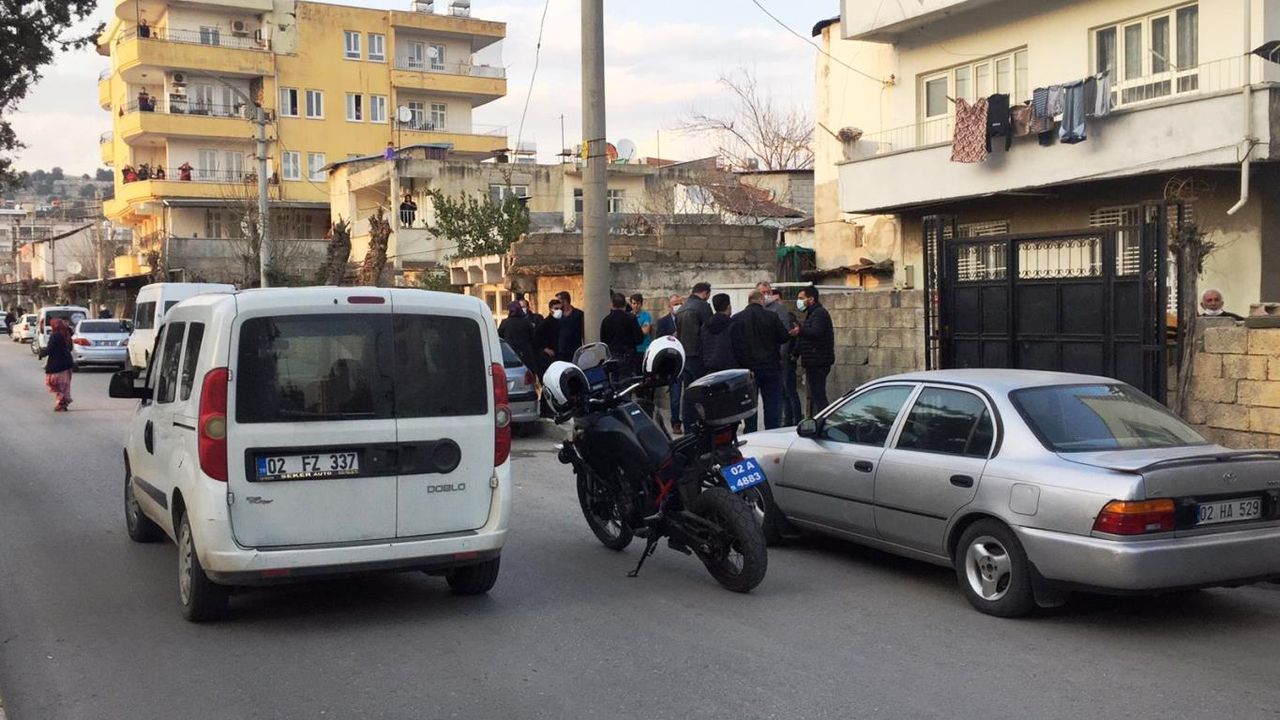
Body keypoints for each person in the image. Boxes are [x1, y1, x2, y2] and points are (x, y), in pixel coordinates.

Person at [733, 289, 792, 432]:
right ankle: (771, 433)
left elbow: (734, 344)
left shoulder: (737, 318)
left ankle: (751, 433)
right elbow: (783, 337)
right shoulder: (771, 316)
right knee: (772, 405)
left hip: (748, 370)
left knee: (750, 406)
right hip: (771, 367)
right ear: (761, 301)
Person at [789, 285, 835, 417]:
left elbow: (816, 332)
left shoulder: (819, 313)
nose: (799, 301)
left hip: (818, 361)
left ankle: (826, 419)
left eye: (801, 298)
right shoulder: (812, 314)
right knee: (815, 395)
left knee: (819, 396)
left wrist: (800, 331)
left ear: (811, 299)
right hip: (813, 361)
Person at [675, 282, 713, 428]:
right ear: (705, 293)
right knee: (703, 394)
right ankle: (704, 426)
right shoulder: (703, 307)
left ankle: (688, 427)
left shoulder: (681, 309)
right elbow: (709, 331)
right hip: (699, 357)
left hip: (685, 357)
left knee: (688, 394)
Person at [655, 294, 684, 433]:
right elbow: (659, 341)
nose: (677, 306)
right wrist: (671, 337)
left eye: (680, 303)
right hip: (673, 363)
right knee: (675, 395)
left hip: (686, 359)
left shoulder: (686, 318)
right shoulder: (663, 322)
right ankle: (675, 422)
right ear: (669, 306)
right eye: (675, 304)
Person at [600, 293, 644, 369]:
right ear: (625, 304)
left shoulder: (606, 320)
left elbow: (603, 341)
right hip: (629, 357)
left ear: (612, 305)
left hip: (612, 357)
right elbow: (639, 339)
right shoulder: (631, 318)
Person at [39, 318, 74, 411]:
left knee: (53, 382)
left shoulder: (55, 335)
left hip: (57, 363)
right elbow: (70, 348)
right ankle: (64, 402)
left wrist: (42, 354)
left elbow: (50, 348)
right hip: (67, 363)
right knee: (64, 385)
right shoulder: (67, 334)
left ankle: (61, 401)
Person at [700, 293, 736, 373]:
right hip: (730, 367)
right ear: (728, 306)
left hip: (710, 367)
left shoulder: (705, 326)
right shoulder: (732, 325)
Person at [498, 301, 536, 370]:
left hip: (510, 355)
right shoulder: (526, 322)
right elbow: (533, 337)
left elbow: (499, 336)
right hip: (526, 354)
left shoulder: (505, 322)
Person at [532, 297, 563, 376]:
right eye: (556, 308)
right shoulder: (545, 323)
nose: (559, 311)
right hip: (549, 357)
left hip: (560, 355)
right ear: (550, 310)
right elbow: (536, 337)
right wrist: (545, 349)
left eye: (560, 309)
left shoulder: (562, 321)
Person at [556, 291, 584, 361]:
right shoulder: (557, 315)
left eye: (558, 301)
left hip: (575, 349)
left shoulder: (578, 314)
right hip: (561, 351)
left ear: (564, 301)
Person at [630, 293, 652, 373]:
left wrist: (632, 331)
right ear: (631, 304)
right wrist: (640, 329)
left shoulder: (646, 315)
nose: (636, 306)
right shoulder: (628, 316)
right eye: (634, 303)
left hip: (643, 349)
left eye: (638, 303)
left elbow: (646, 331)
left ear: (641, 304)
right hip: (632, 349)